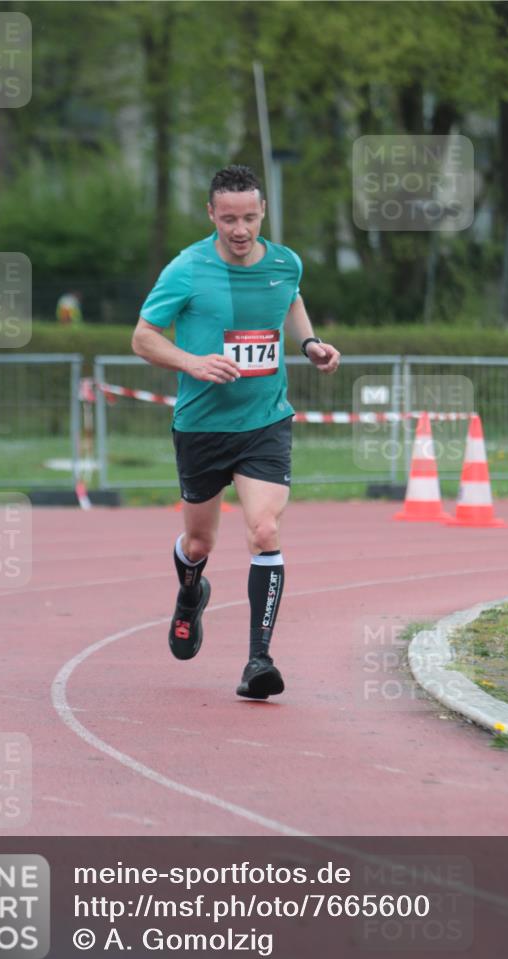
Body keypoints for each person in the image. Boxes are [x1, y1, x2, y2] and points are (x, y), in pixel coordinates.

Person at [132, 164, 340, 699]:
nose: (240, 229)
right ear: (211, 215)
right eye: (229, 219)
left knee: (264, 531)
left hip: (265, 421)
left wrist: (309, 343)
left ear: (263, 211)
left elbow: (290, 298)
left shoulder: (285, 262)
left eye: (249, 217)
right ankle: (189, 596)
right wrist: (192, 362)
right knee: (199, 542)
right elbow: (143, 337)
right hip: (201, 427)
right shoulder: (186, 268)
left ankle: (258, 661)